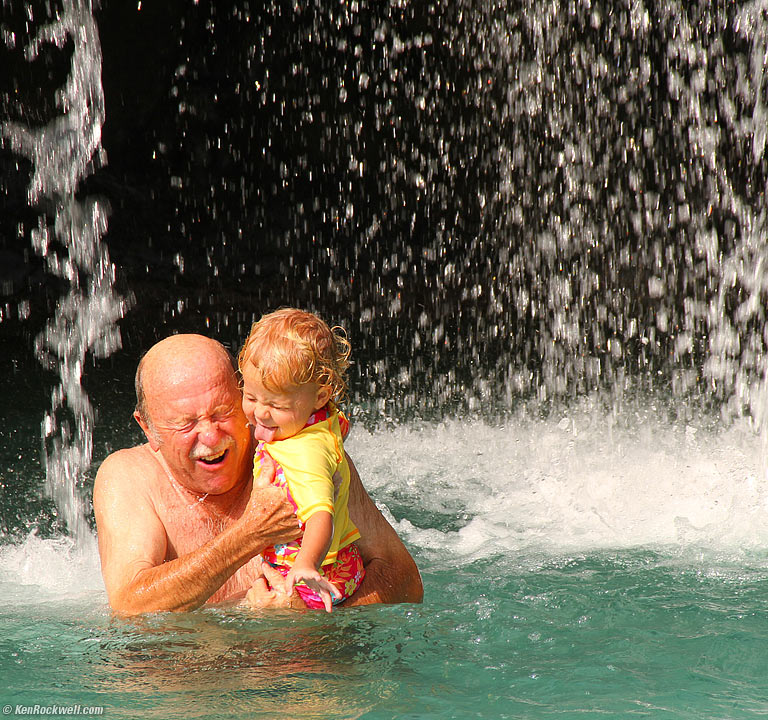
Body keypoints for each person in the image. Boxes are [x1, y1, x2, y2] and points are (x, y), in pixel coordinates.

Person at [93, 333, 423, 616]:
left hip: (304, 670)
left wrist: (314, 617)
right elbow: (129, 607)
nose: (210, 436)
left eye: (222, 411)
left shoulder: (300, 453)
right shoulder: (129, 478)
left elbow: (404, 580)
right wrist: (250, 534)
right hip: (192, 680)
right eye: (186, 423)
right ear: (147, 427)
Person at [238, 308, 362, 612]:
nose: (260, 413)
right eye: (251, 397)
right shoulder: (313, 421)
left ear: (320, 396)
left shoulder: (306, 453)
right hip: (339, 564)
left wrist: (306, 565)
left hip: (313, 577)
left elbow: (322, 513)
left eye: (276, 405)